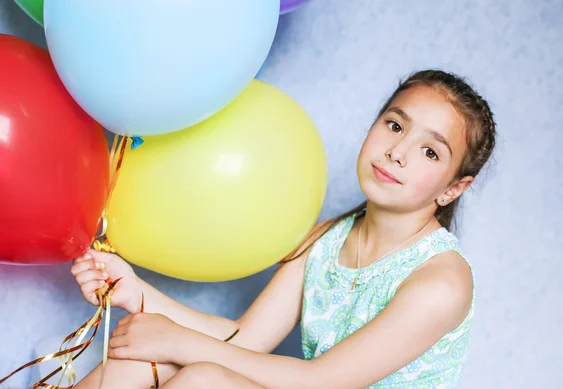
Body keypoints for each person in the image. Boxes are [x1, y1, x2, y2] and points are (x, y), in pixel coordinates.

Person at [70, 69, 496, 389]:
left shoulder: (442, 280)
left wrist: (178, 342)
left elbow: (321, 381)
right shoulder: (327, 238)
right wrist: (137, 293)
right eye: (395, 125)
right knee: (147, 360)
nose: (398, 152)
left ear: (453, 189)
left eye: (429, 151)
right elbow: (246, 339)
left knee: (203, 378)